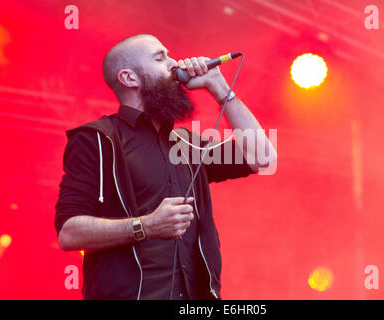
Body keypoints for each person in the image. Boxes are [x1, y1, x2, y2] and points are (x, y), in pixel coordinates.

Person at [54, 33, 277, 300]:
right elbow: (69, 233)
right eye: (161, 58)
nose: (175, 63)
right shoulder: (98, 140)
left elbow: (263, 157)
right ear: (129, 78)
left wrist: (218, 86)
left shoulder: (186, 143)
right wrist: (147, 226)